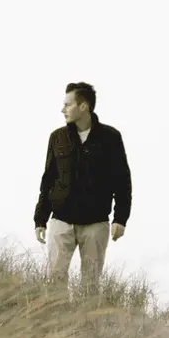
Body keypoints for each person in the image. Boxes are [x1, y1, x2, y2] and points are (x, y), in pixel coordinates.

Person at [33, 82, 133, 295]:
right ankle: (57, 327)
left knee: (90, 285)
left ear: (83, 106)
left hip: (95, 224)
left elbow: (122, 181)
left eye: (68, 104)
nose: (63, 109)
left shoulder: (110, 138)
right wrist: (40, 219)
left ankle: (87, 327)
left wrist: (120, 219)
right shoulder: (57, 137)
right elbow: (48, 179)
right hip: (61, 221)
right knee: (54, 280)